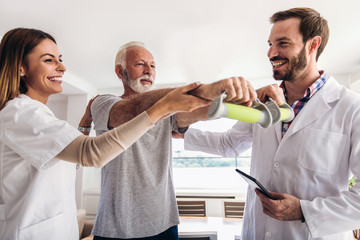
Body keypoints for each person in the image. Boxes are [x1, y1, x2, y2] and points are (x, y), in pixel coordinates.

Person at [0, 28, 213, 240]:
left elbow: (71, 159)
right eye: (49, 60)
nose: (63, 67)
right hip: (109, 227)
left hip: (161, 222)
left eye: (153, 66)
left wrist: (225, 99)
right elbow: (93, 151)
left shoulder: (41, 114)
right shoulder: (21, 113)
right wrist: (162, 108)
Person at [183, 7, 360, 240]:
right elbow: (228, 143)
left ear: (313, 45)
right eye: (270, 44)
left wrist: (304, 211)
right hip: (258, 231)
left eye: (283, 43)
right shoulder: (264, 100)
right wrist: (178, 129)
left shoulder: (351, 108)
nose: (271, 53)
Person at [82, 41, 258, 239]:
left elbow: (200, 111)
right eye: (140, 64)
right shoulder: (103, 102)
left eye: (153, 65)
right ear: (120, 71)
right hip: (116, 228)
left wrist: (245, 99)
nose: (148, 70)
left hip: (164, 224)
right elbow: (132, 109)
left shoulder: (169, 112)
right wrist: (206, 89)